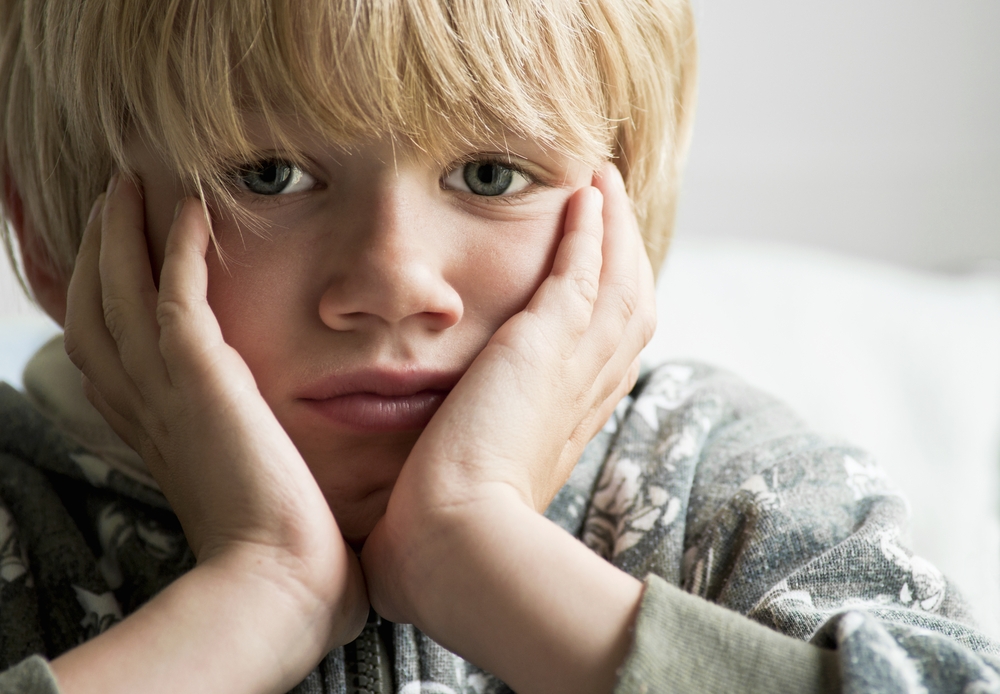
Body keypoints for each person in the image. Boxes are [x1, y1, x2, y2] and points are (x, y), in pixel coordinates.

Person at [0, 1, 997, 693]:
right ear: (49, 235)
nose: (396, 282)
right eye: (266, 176)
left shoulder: (720, 484)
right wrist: (251, 597)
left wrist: (485, 558)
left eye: (488, 172)